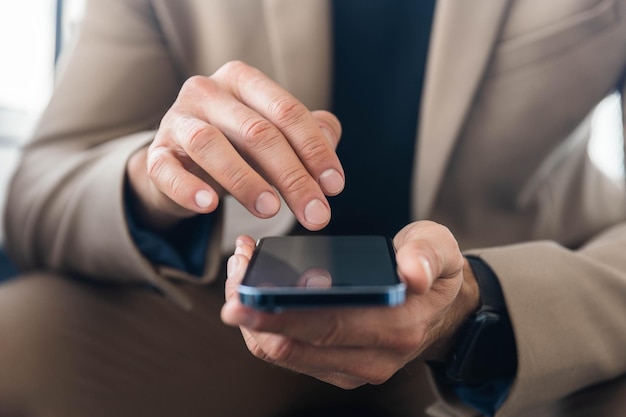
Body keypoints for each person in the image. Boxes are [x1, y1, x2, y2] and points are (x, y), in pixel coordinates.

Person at [2, 0, 626, 416]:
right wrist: (159, 181)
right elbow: (36, 193)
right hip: (223, 315)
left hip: (518, 298)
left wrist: (484, 307)